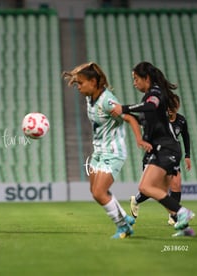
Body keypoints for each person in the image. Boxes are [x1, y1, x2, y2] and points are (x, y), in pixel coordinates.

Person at [62, 62, 152, 239]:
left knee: (99, 192)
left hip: (113, 152)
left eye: (81, 83)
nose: (78, 87)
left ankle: (123, 226)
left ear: (93, 82)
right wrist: (78, 73)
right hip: (99, 152)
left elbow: (131, 119)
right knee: (95, 192)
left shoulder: (107, 101)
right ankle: (124, 217)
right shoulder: (90, 97)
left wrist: (139, 139)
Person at [111, 61, 195, 237]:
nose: (134, 83)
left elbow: (151, 106)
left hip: (166, 148)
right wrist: (125, 115)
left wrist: (124, 108)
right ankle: (185, 228)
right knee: (162, 194)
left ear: (146, 78)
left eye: (135, 79)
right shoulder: (151, 95)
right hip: (163, 148)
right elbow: (146, 117)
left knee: (145, 187)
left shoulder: (154, 92)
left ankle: (182, 212)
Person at [130, 94, 192, 230]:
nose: (170, 109)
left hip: (171, 155)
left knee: (176, 184)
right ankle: (136, 200)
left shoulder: (181, 120)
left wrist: (187, 155)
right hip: (155, 155)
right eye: (168, 106)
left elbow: (186, 136)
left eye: (173, 107)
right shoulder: (160, 119)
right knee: (153, 188)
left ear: (178, 107)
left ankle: (174, 216)